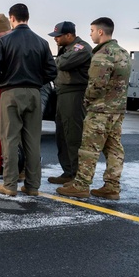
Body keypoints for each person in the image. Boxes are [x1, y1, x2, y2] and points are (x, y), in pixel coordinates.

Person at [0, 3, 57, 197]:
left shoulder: (5, 42)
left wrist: (5, 81)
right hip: (34, 92)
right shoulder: (42, 42)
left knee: (9, 139)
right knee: (32, 141)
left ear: (12, 18)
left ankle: (10, 184)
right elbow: (52, 71)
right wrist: (35, 81)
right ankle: (32, 186)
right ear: (28, 17)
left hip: (11, 93)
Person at [57, 18, 131, 200]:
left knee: (89, 148)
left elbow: (96, 84)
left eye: (91, 30)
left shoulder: (102, 54)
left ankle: (81, 185)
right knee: (114, 149)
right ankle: (112, 186)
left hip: (100, 110)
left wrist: (87, 100)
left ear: (100, 32)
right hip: (117, 110)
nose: (89, 34)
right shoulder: (123, 53)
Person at [47, 21, 92, 184]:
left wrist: (49, 62)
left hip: (75, 94)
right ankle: (68, 171)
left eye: (58, 36)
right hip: (63, 93)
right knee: (62, 135)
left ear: (69, 35)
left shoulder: (81, 48)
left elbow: (61, 63)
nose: (55, 39)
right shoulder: (66, 49)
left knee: (73, 135)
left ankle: (78, 175)